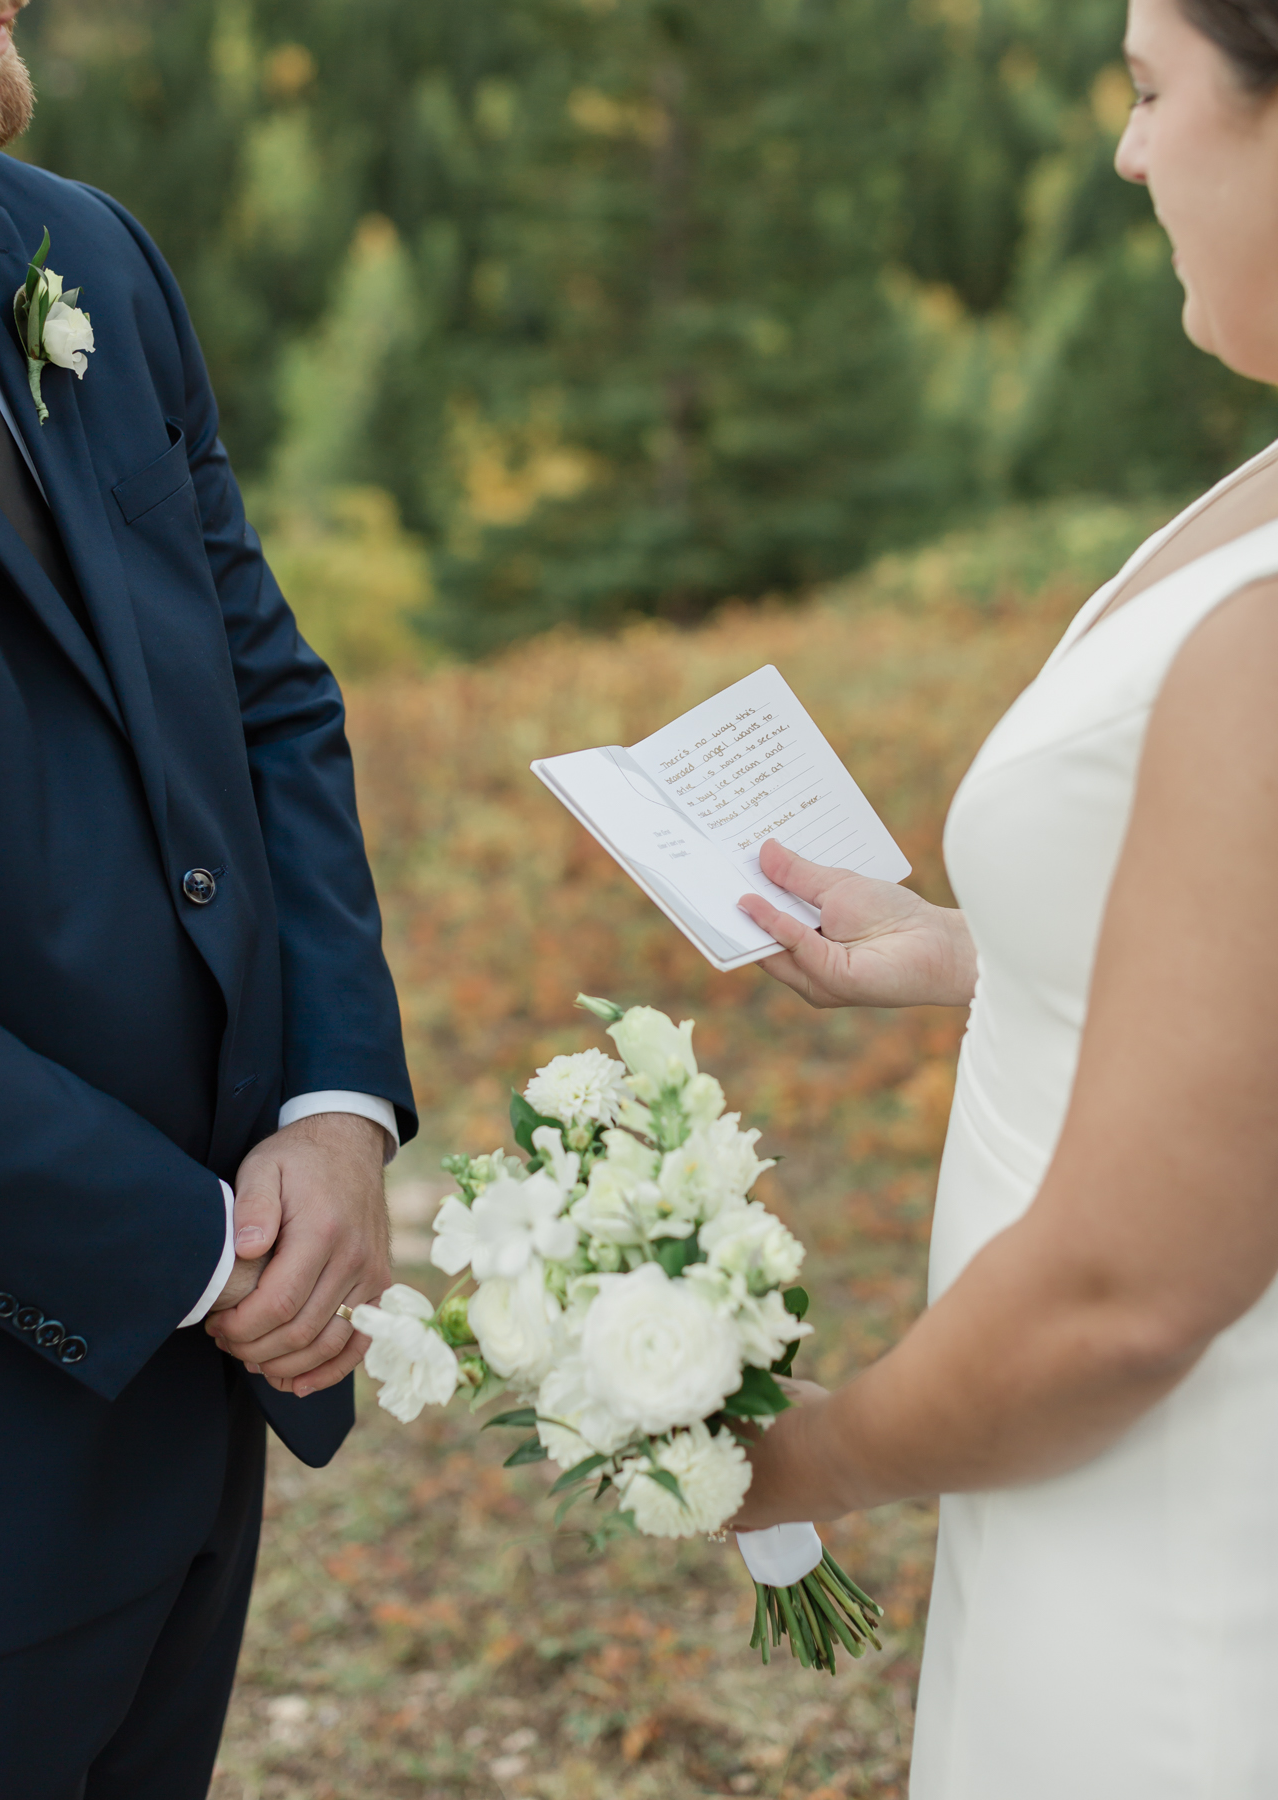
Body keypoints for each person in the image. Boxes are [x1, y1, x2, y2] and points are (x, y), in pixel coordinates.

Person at [0, 0, 415, 1794]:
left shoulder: (72, 248)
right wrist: (180, 1252)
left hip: (178, 1450)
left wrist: (335, 1109)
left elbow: (262, 694)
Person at [730, 1, 1278, 1791]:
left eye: (1150, 91)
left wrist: (788, 1463)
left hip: (1188, 1538)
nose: (1125, 151)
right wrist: (994, 952)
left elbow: (1121, 1299)